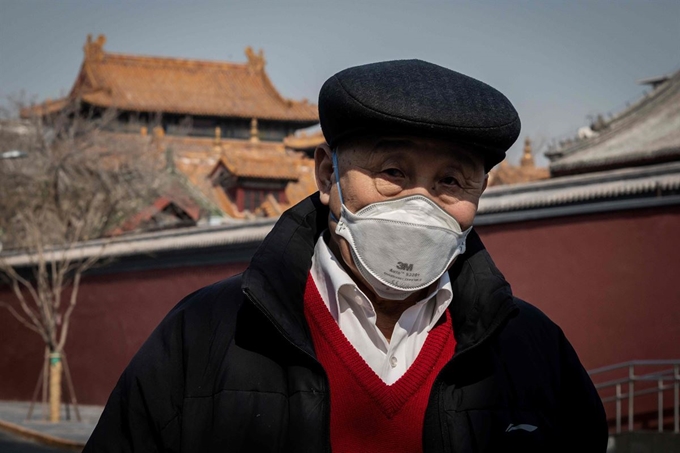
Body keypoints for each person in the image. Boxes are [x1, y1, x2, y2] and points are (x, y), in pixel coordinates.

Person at [84, 60, 607, 452]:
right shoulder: (206, 335)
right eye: (393, 173)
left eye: (450, 181)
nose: (420, 204)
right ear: (328, 176)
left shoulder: (532, 350)